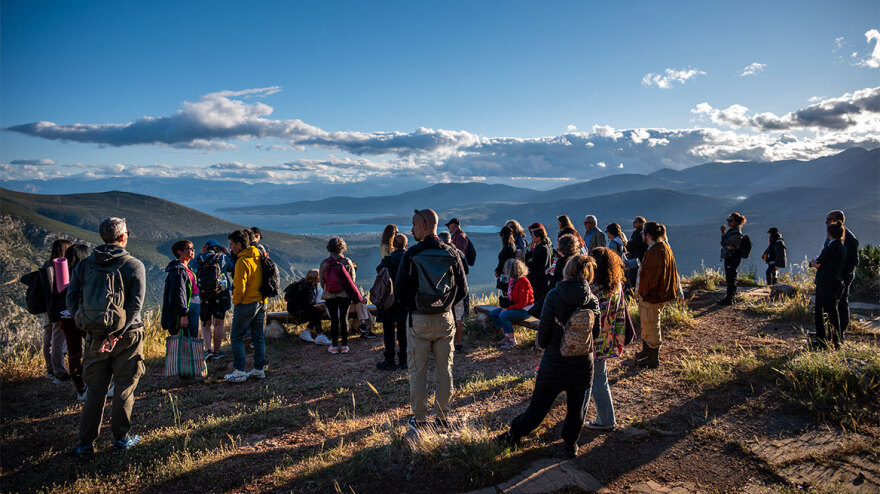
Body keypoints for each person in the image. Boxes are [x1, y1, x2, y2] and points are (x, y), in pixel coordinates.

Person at [497, 255, 599, 458]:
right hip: (582, 360)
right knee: (576, 408)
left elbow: (543, 330)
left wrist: (542, 346)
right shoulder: (592, 299)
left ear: (567, 271)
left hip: (555, 359)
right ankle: (570, 444)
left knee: (539, 405)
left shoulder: (554, 295)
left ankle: (515, 434)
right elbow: (594, 334)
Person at [69, 217, 146, 457]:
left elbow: (71, 299)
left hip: (94, 335)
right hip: (128, 337)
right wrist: (117, 333)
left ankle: (85, 444)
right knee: (124, 388)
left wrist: (87, 325)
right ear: (123, 236)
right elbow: (135, 306)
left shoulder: (85, 265)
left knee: (95, 391)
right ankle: (121, 438)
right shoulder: (134, 265)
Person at [395, 208, 467, 432]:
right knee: (445, 370)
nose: (412, 229)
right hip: (445, 319)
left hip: (419, 320)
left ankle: (419, 420)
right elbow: (462, 290)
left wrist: (416, 304)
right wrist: (444, 304)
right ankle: (443, 419)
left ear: (424, 226)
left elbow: (400, 292)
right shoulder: (452, 253)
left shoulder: (412, 254)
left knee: (418, 371)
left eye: (415, 225)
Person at [585, 247, 626, 431]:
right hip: (607, 338)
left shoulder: (592, 288)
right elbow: (621, 312)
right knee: (598, 378)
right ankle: (604, 418)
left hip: (591, 340)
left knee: (591, 379)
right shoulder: (616, 286)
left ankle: (602, 419)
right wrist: (619, 336)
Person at [224, 229, 267, 382]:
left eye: (231, 244)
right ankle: (258, 370)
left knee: (236, 336)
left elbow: (239, 287)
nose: (230, 247)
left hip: (246, 302)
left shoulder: (242, 261)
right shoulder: (258, 255)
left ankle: (240, 371)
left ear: (239, 244)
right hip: (261, 302)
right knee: (258, 336)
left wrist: (236, 303)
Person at [635, 221, 678, 368]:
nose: (641, 235)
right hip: (655, 295)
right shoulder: (662, 248)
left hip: (652, 296)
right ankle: (647, 351)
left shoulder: (656, 252)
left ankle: (653, 358)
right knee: (647, 324)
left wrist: (643, 292)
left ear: (647, 235)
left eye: (643, 233)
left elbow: (651, 277)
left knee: (652, 324)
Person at [52, 243, 90, 400]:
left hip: (66, 320)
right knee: (93, 351)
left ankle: (81, 389)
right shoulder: (84, 273)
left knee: (74, 354)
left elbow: (56, 297)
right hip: (82, 319)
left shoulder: (61, 273)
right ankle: (95, 384)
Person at [194, 239, 233, 360]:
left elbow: (191, 265)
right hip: (220, 296)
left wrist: (201, 253)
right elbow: (233, 267)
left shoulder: (200, 259)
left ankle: (208, 350)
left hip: (203, 296)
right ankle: (217, 351)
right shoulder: (222, 258)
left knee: (205, 324)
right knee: (218, 323)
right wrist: (227, 253)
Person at [810, 222, 847, 350]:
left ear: (829, 234)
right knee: (832, 312)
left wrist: (812, 262)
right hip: (836, 282)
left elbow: (818, 263)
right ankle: (835, 339)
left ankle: (822, 340)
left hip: (826, 284)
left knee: (821, 313)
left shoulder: (831, 247)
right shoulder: (842, 246)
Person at [319, 237, 358, 354]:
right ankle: (345, 345)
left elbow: (322, 281)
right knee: (344, 318)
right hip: (345, 295)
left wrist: (328, 289)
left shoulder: (325, 263)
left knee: (334, 320)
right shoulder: (347, 262)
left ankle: (334, 345)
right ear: (342, 248)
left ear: (329, 248)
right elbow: (352, 280)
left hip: (330, 296)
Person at [826, 210, 860, 341]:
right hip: (832, 277)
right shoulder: (833, 235)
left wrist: (840, 274)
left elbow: (854, 261)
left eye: (829, 220)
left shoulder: (849, 238)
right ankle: (831, 332)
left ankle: (840, 333)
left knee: (841, 304)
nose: (826, 222)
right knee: (832, 304)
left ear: (837, 220)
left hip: (842, 277)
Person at [376, 234, 408, 370]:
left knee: (388, 331)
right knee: (403, 331)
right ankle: (404, 360)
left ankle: (389, 360)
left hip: (388, 299)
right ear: (405, 245)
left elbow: (379, 271)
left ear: (393, 245)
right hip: (404, 300)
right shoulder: (409, 258)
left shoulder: (387, 259)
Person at [490, 259, 534, 349]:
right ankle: (506, 335)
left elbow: (523, 303)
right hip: (515, 307)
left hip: (525, 310)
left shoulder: (524, 282)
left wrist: (508, 309)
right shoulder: (513, 280)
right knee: (493, 313)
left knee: (503, 315)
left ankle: (512, 341)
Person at [45, 239, 72, 383]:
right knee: (57, 339)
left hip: (50, 308)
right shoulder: (61, 266)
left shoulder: (47, 266)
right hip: (60, 308)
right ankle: (59, 372)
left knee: (52, 339)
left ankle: (52, 370)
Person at [161, 240, 200, 340]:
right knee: (187, 336)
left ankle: (189, 355)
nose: (193, 250)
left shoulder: (187, 268)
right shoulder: (178, 271)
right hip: (187, 307)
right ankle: (186, 355)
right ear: (180, 252)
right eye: (189, 248)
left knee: (191, 334)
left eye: (193, 248)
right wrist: (183, 314)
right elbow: (179, 293)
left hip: (193, 305)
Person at [439, 231, 469, 354]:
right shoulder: (459, 253)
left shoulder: (440, 253)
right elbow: (466, 270)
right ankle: (459, 343)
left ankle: (444, 342)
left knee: (443, 316)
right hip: (457, 290)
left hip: (443, 291)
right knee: (458, 317)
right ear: (451, 240)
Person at [284, 270, 328, 345]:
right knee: (317, 311)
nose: (321, 278)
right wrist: (318, 306)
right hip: (296, 310)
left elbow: (307, 303)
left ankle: (307, 332)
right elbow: (307, 304)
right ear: (315, 278)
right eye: (319, 277)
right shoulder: (307, 287)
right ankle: (319, 335)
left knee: (318, 310)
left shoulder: (310, 285)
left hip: (298, 307)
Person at [719, 212, 746, 306]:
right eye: (728, 220)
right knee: (731, 277)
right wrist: (727, 244)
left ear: (736, 222)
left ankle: (729, 299)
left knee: (731, 278)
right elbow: (726, 244)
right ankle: (730, 298)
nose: (728, 222)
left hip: (732, 257)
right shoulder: (732, 231)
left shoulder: (736, 233)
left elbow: (723, 242)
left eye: (730, 220)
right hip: (731, 257)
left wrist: (722, 233)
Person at [525, 222, 552, 318]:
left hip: (538, 279)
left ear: (539, 237)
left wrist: (528, 255)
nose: (531, 238)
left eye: (533, 236)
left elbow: (531, 263)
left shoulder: (541, 249)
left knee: (537, 299)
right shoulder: (544, 247)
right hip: (540, 279)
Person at [496, 226, 517, 294]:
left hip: (505, 274)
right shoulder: (512, 246)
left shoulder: (507, 248)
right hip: (510, 274)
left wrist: (498, 271)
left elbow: (502, 261)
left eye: (501, 235)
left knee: (505, 293)